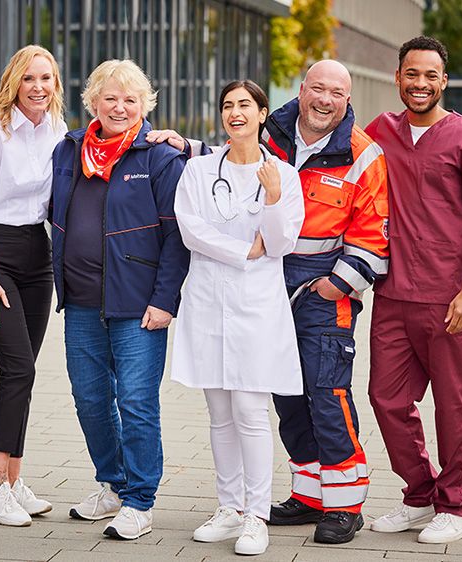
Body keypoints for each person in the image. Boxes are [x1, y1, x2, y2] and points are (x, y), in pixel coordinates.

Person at [150, 60, 390, 545]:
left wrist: (337, 284)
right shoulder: (278, 131)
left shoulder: (363, 155)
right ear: (300, 92)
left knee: (325, 393)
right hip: (257, 288)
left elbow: (370, 232)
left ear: (348, 98)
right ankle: (306, 494)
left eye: (335, 92)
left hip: (319, 291)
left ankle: (343, 503)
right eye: (316, 88)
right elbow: (227, 161)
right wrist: (184, 144)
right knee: (286, 400)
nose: (324, 99)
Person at [364, 36, 462, 544]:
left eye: (430, 76)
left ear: (444, 81)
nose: (419, 84)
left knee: (452, 402)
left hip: (448, 298)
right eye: (411, 74)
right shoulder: (380, 132)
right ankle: (420, 494)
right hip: (393, 293)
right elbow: (316, 122)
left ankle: (455, 506)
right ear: (398, 77)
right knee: (386, 398)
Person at [49, 59, 190, 541]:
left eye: (131, 100)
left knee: (135, 402)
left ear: (145, 106)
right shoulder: (68, 150)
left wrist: (165, 299)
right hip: (82, 301)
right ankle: (113, 483)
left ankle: (139, 500)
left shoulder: (159, 156)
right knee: (89, 399)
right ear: (93, 102)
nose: (120, 107)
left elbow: (177, 236)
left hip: (139, 306)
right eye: (110, 98)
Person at [171, 80, 304, 557]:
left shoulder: (283, 177)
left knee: (250, 411)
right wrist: (245, 250)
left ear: (263, 113)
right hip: (207, 302)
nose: (235, 113)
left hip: (256, 308)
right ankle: (227, 507)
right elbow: (190, 227)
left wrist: (270, 199)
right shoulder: (200, 169)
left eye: (245, 105)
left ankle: (256, 514)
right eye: (228, 106)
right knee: (219, 413)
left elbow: (284, 242)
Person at [0, 45, 67, 527]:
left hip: (36, 255)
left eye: (46, 78)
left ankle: (15, 480)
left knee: (26, 372)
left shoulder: (58, 131)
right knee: (17, 368)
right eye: (29, 79)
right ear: (14, 83)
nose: (38, 87)